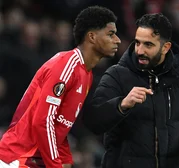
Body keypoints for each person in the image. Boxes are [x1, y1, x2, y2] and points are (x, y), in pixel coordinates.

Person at [84, 13, 179, 168]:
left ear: (166, 47)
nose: (140, 51)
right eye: (138, 43)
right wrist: (122, 104)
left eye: (148, 45)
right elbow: (93, 121)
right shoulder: (117, 75)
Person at [0, 6, 121, 168]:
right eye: (111, 34)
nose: (117, 40)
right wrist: (56, 165)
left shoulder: (86, 75)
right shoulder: (66, 65)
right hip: (17, 158)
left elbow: (60, 126)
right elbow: (43, 122)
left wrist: (65, 160)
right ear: (92, 37)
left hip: (35, 161)